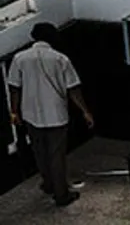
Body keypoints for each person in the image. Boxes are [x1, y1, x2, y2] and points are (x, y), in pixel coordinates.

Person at [6, 22, 92, 208]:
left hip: (30, 113)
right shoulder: (60, 59)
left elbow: (14, 88)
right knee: (56, 155)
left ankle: (48, 184)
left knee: (39, 152)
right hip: (56, 114)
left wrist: (14, 112)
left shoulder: (20, 59)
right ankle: (62, 195)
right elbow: (73, 89)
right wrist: (85, 111)